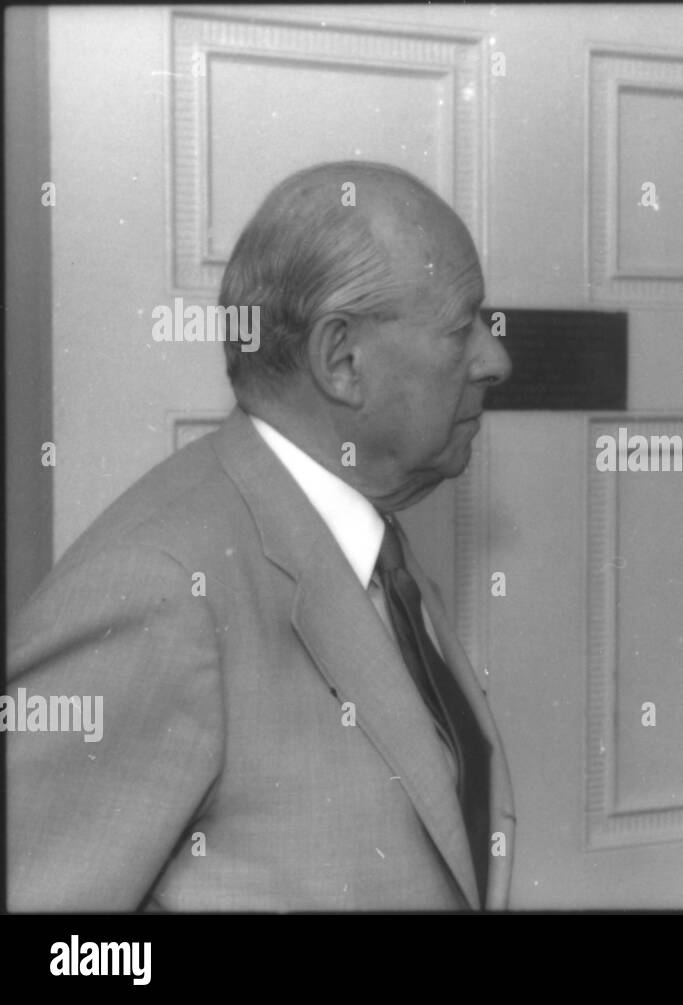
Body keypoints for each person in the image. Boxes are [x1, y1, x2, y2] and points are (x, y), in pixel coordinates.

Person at [7, 161, 514, 910]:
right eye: (458, 327)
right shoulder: (162, 590)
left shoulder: (369, 543)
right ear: (342, 360)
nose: (495, 359)